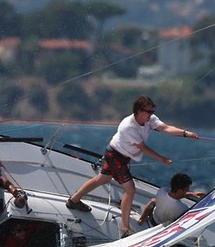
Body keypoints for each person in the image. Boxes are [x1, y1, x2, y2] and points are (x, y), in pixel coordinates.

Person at [65, 95, 198, 237]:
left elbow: (165, 128)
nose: (151, 115)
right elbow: (142, 147)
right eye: (149, 112)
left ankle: (73, 201)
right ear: (139, 111)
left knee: (101, 180)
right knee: (130, 190)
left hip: (121, 156)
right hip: (115, 155)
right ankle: (125, 229)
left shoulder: (149, 120)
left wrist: (185, 133)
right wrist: (162, 159)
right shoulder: (128, 126)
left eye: (152, 112)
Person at [137, 173, 205, 247]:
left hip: (153, 218)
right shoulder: (182, 208)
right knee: (172, 244)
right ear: (180, 190)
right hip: (162, 227)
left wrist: (191, 194)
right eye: (186, 190)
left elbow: (174, 195)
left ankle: (142, 219)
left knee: (153, 201)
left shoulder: (162, 191)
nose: (187, 191)